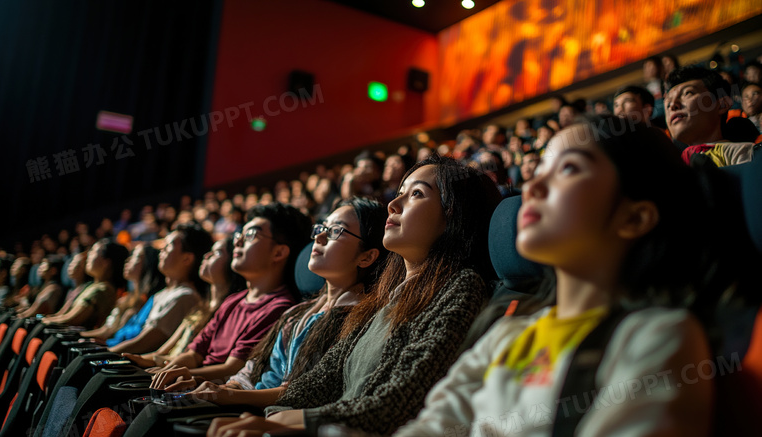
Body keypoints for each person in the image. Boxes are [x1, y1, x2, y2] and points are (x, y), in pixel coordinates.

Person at [394, 116, 716, 437]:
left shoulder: (655, 338)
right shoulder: (506, 332)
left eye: (568, 169)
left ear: (634, 217)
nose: (532, 186)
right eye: (539, 171)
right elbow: (432, 427)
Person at [207, 156, 503, 437]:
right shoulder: (384, 299)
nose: (393, 204)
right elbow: (322, 379)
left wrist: (302, 421)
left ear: (454, 216)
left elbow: (402, 400)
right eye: (398, 192)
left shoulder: (461, 288)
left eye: (416, 194)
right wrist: (274, 415)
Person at [187, 198, 388, 407]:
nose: (319, 237)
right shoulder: (296, 313)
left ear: (366, 257)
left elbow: (306, 392)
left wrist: (230, 396)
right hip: (250, 405)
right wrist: (226, 388)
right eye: (322, 228)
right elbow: (253, 371)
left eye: (335, 231)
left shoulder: (358, 318)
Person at [145, 203, 311, 389]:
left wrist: (184, 374)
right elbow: (194, 353)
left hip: (214, 391)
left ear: (279, 252)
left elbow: (231, 369)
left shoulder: (279, 307)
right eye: (240, 235)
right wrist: (164, 372)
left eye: (251, 235)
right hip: (194, 382)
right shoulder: (233, 300)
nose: (237, 242)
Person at [122, 237, 243, 368]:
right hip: (171, 367)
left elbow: (203, 361)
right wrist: (136, 359)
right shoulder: (200, 308)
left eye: (217, 252)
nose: (207, 255)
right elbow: (162, 352)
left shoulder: (228, 309)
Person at [108, 224, 213, 353]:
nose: (162, 250)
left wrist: (105, 353)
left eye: (168, 246)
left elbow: (144, 343)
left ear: (187, 259)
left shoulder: (185, 296)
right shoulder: (162, 293)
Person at [665, 65, 755, 165]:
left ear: (722, 104)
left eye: (687, 93)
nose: (672, 105)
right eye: (668, 103)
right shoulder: (673, 166)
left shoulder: (744, 153)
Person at [81, 243, 165, 343]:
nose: (128, 260)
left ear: (148, 264)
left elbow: (111, 332)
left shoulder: (147, 301)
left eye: (136, 257)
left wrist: (80, 336)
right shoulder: (127, 297)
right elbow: (107, 329)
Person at [42, 239, 128, 329]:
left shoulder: (103, 290)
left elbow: (72, 320)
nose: (89, 256)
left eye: (94, 252)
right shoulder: (92, 286)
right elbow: (64, 316)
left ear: (106, 262)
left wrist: (44, 321)